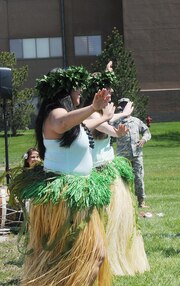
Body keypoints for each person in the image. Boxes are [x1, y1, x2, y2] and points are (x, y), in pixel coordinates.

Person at [9, 66, 113, 285]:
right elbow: (62, 123)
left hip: (77, 197)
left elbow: (85, 124)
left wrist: (105, 115)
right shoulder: (56, 113)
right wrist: (93, 106)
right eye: (77, 89)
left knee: (93, 255)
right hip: (65, 200)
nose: (80, 94)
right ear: (64, 91)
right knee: (88, 255)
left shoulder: (73, 121)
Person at [84, 65, 150, 275]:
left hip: (109, 168)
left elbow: (110, 127)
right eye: (107, 89)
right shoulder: (89, 113)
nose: (111, 93)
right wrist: (120, 118)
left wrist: (118, 124)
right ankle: (98, 256)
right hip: (95, 173)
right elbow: (99, 124)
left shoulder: (105, 112)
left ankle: (114, 255)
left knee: (117, 218)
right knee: (100, 218)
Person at [113, 98, 152, 208]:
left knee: (139, 177)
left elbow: (146, 132)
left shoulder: (136, 121)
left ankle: (141, 201)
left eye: (126, 105)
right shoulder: (116, 121)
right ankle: (124, 202)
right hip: (123, 156)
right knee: (122, 179)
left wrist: (144, 139)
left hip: (137, 155)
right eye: (122, 105)